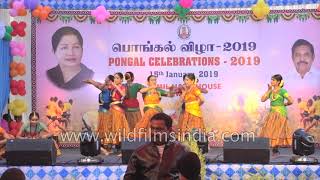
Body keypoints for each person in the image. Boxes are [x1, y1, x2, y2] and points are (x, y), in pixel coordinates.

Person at [124, 113, 188, 179]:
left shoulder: (181, 151)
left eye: (159, 129)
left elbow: (191, 176)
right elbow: (129, 177)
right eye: (152, 128)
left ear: (169, 130)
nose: (154, 132)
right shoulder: (140, 153)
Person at [260, 74, 293, 155]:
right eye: (271, 80)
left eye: (273, 80)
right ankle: (274, 149)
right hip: (272, 113)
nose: (271, 81)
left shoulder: (282, 91)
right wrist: (268, 90)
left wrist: (285, 104)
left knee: (277, 131)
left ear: (278, 82)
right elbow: (262, 99)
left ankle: (275, 150)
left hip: (280, 113)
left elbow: (291, 101)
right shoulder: (271, 91)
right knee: (270, 130)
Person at [83, 75, 114, 152]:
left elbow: (99, 86)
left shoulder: (107, 88)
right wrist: (90, 81)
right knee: (102, 129)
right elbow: (98, 84)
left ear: (110, 81)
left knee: (105, 129)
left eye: (106, 79)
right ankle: (104, 146)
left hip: (105, 111)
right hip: (102, 110)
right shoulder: (106, 86)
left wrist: (91, 81)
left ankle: (107, 147)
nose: (104, 79)